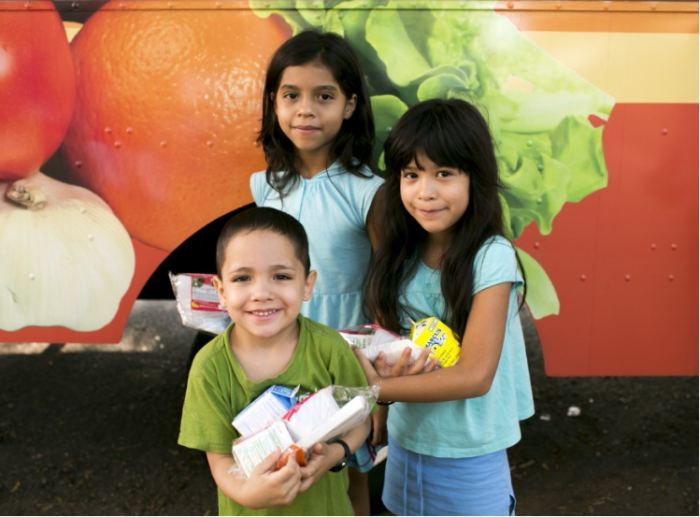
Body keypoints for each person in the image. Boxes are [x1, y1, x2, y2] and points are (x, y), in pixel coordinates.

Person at [355, 98, 535, 516]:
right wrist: (381, 407)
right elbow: (391, 345)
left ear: (476, 178)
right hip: (405, 444)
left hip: (470, 457)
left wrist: (374, 391)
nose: (425, 192)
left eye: (444, 174)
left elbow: (474, 376)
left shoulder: (492, 257)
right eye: (411, 175)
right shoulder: (400, 253)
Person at [250, 30, 385, 514]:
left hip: (346, 356)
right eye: (291, 96)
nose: (305, 110)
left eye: (323, 96)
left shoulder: (368, 191)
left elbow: (384, 284)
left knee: (348, 473)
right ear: (274, 102)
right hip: (282, 352)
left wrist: (380, 391)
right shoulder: (264, 186)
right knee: (287, 465)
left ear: (349, 105)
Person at [178, 207, 371, 516]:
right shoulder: (209, 367)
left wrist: (334, 454)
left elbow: (360, 419)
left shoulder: (330, 349)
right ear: (221, 292)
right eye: (243, 278)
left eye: (281, 276)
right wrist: (248, 493)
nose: (261, 293)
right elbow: (220, 460)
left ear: (307, 285)